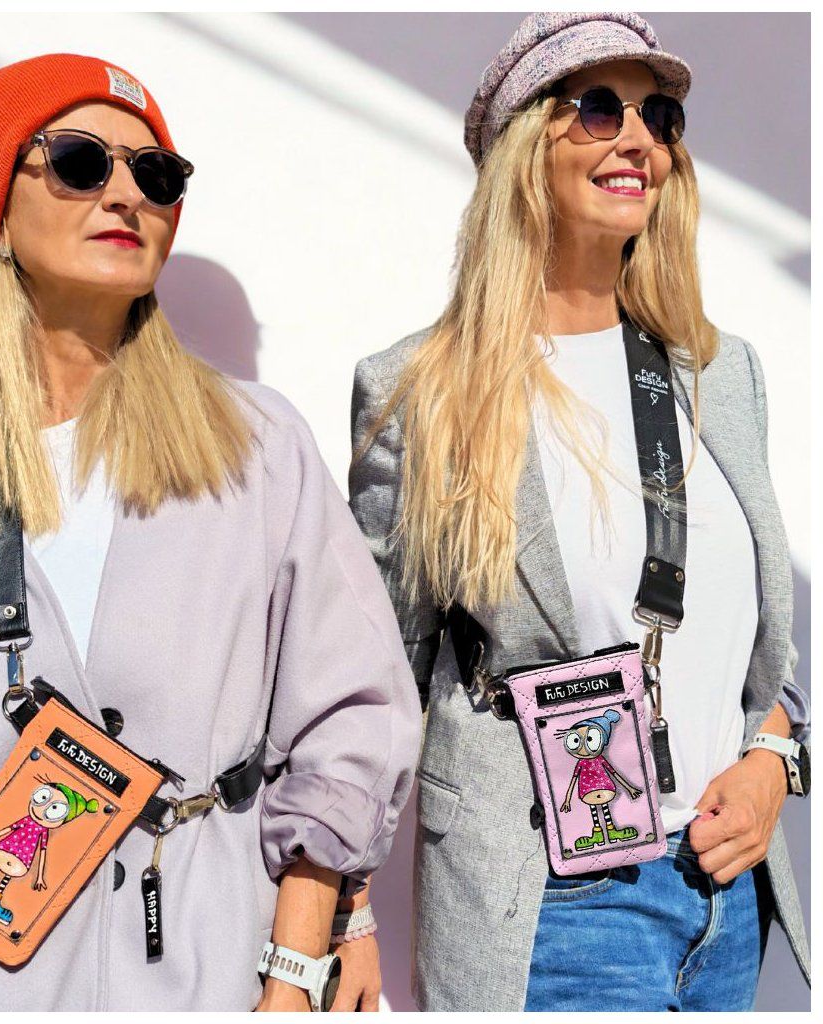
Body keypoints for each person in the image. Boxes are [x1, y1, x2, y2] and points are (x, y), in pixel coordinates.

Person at [0, 53, 421, 1012]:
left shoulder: (256, 452)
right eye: (81, 162)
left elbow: (352, 719)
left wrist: (293, 977)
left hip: (195, 983)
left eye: (157, 175)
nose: (127, 194)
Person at [348, 12, 810, 1012]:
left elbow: (752, 643)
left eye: (659, 117)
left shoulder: (722, 375)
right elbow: (367, 681)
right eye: (599, 108)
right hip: (550, 900)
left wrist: (773, 758)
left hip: (726, 901)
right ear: (524, 145)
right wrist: (338, 909)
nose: (638, 139)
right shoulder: (421, 393)